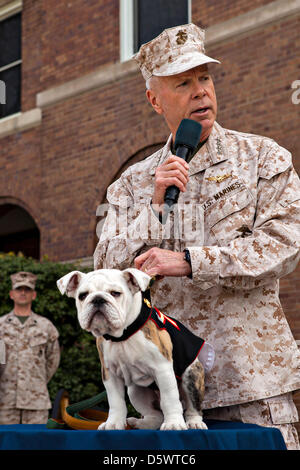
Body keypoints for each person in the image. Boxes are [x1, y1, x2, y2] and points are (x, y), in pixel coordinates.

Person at [93, 23, 300, 449]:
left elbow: (284, 245)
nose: (201, 91)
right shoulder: (132, 184)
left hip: (252, 382)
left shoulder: (263, 157)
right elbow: (103, 272)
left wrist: (190, 261)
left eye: (205, 77)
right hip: (168, 393)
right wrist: (152, 208)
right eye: (183, 82)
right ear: (155, 100)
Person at [0, 271, 60, 424]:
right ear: (11, 294)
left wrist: (35, 382)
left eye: (27, 289)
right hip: (5, 402)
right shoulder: (1, 326)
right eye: (19, 289)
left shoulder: (45, 326)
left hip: (36, 402)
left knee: (35, 445)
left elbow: (52, 361)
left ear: (34, 295)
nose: (22, 293)